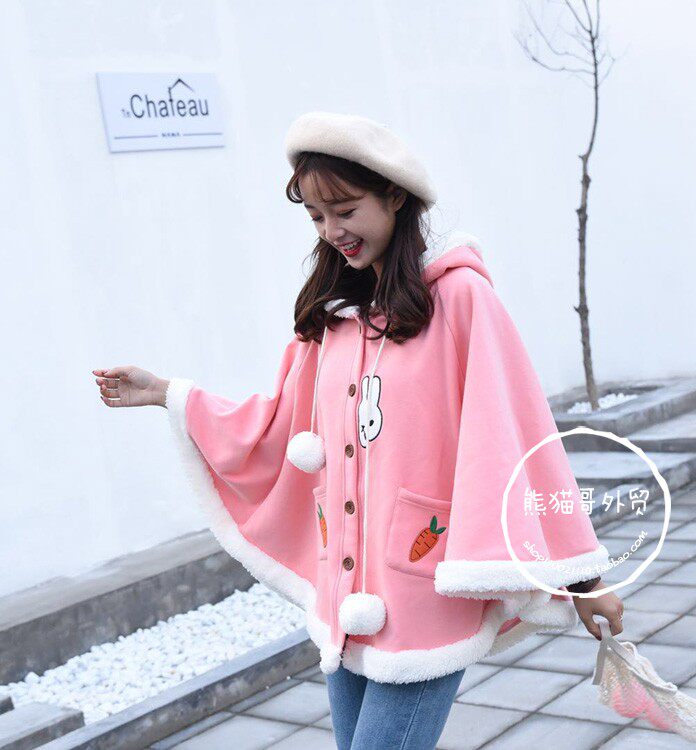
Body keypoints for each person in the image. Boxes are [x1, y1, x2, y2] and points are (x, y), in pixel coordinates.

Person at [92, 111, 624, 749]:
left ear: (395, 196)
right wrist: (168, 395)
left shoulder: (460, 299)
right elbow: (279, 424)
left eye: (345, 210)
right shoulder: (333, 319)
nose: (332, 231)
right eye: (317, 217)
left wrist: (583, 580)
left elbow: (515, 434)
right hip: (344, 591)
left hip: (421, 590)